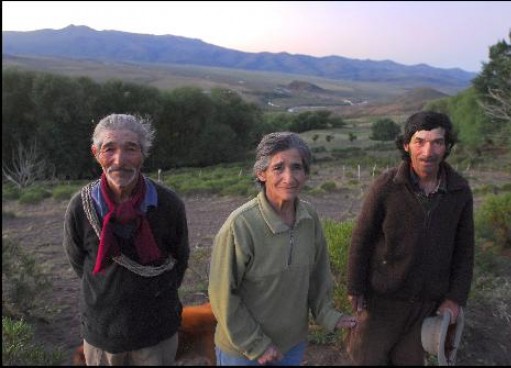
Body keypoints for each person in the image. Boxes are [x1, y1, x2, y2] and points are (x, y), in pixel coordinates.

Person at [208, 132, 357, 366]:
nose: (289, 178)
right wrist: (257, 345)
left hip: (292, 346)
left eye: (297, 167)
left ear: (306, 173)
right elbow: (222, 295)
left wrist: (329, 315)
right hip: (243, 352)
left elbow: (318, 276)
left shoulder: (309, 218)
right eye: (278, 168)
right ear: (261, 173)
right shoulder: (241, 225)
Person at [346, 111, 474, 365]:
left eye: (437, 142)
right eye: (420, 141)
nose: (428, 151)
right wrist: (355, 287)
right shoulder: (386, 186)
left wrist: (455, 298)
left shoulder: (459, 191)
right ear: (406, 145)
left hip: (427, 305)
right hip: (382, 302)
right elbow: (362, 238)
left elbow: (465, 249)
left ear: (447, 147)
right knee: (365, 358)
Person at [63, 113, 190, 365]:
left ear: (143, 154)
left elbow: (180, 259)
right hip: (103, 334)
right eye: (109, 149)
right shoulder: (81, 206)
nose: (119, 161)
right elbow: (79, 262)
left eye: (130, 149)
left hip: (158, 332)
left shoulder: (168, 204)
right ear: (96, 153)